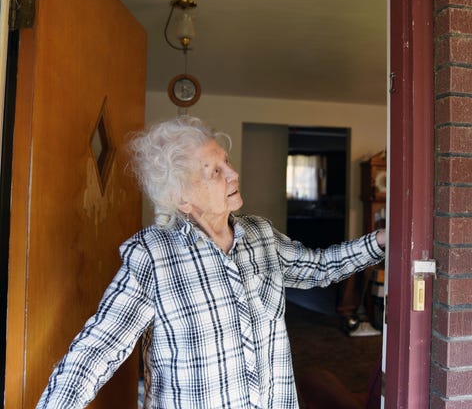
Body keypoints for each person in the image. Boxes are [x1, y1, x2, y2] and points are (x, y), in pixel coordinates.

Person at [36, 115, 386, 409]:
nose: (233, 174)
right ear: (181, 198)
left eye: (227, 162)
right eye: (214, 171)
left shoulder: (261, 235)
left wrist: (382, 240)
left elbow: (320, 267)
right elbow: (98, 350)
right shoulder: (154, 255)